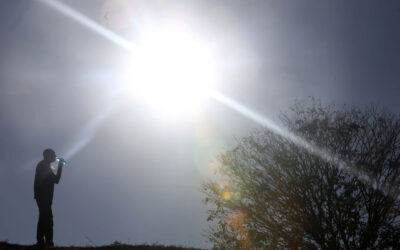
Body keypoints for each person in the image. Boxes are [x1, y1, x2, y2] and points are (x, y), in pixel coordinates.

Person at [34, 148, 63, 247]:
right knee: (48, 218)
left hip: (43, 196)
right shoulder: (44, 165)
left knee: (43, 218)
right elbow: (56, 180)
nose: (55, 156)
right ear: (48, 155)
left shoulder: (45, 165)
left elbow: (55, 180)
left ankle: (41, 242)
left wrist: (59, 167)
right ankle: (48, 243)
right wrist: (60, 166)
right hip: (43, 196)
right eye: (54, 154)